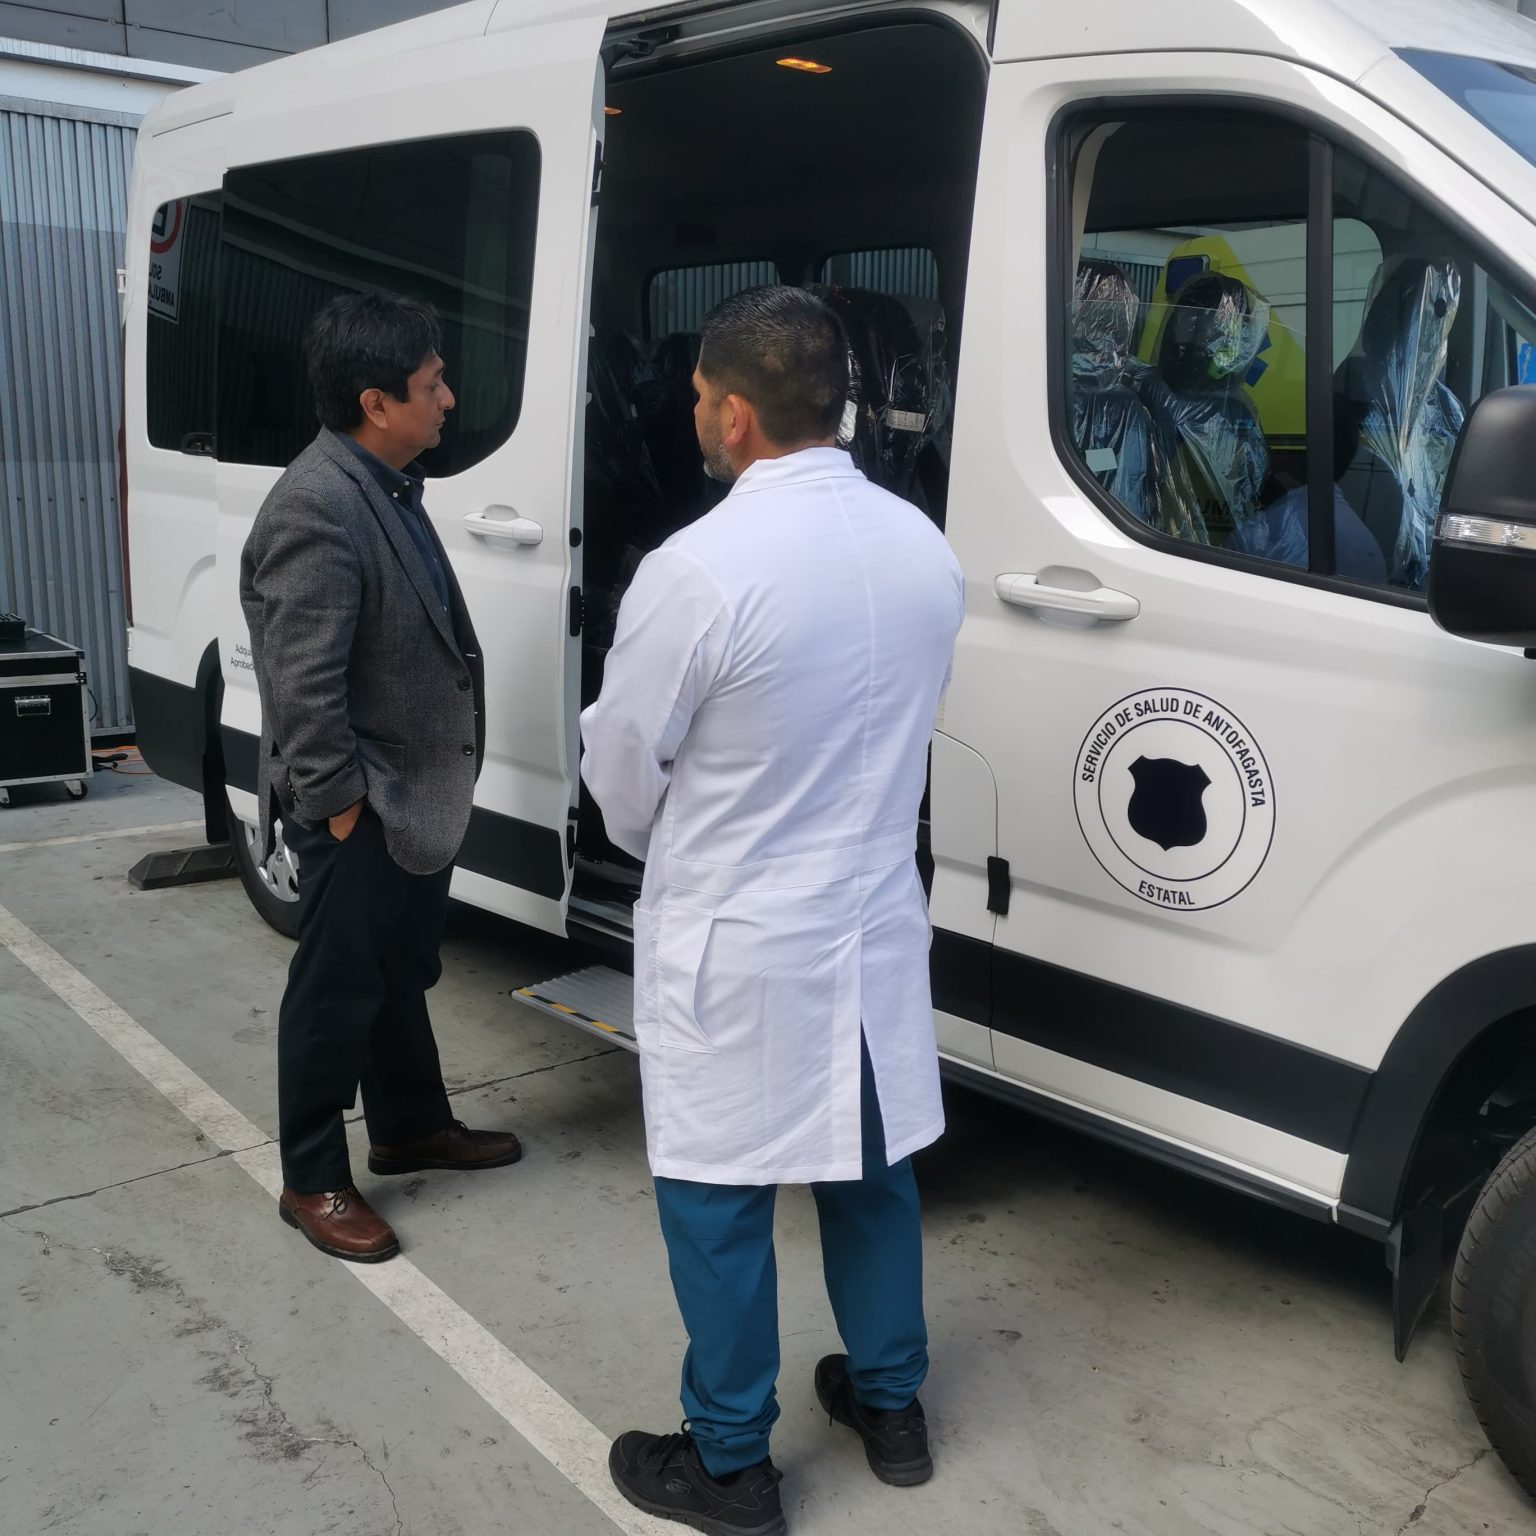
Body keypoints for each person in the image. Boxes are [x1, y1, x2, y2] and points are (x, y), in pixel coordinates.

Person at [581, 286, 965, 1536]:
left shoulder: (696, 572)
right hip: (870, 925)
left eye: (699, 396)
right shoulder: (922, 548)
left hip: (739, 943)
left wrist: (677, 846)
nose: (693, 413)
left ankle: (732, 1462)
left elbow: (623, 770)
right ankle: (892, 1406)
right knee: (871, 1174)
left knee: (717, 1193)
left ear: (736, 415)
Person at [240, 291, 521, 1264]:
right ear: (376, 403)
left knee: (399, 972)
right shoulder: (317, 507)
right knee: (335, 991)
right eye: (432, 384)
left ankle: (408, 1127)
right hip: (363, 803)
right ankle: (312, 1177)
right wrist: (341, 808)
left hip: (411, 798)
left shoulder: (386, 485)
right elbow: (301, 683)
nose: (448, 398)